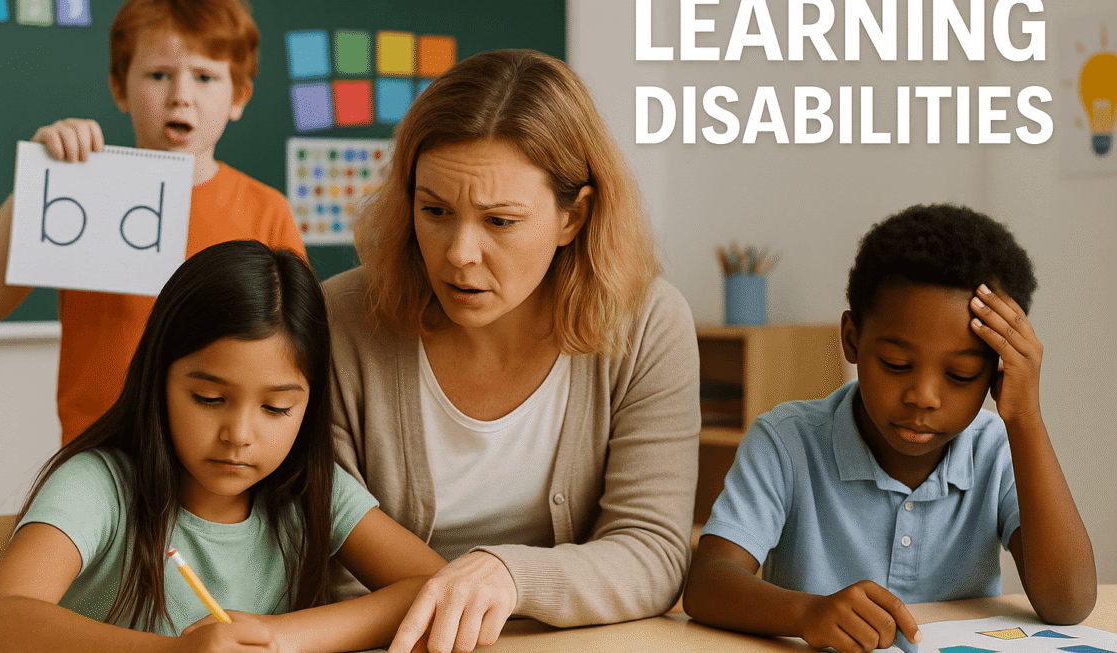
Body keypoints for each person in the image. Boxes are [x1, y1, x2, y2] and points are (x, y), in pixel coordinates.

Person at [322, 49, 701, 653]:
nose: (459, 253)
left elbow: (653, 552)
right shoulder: (340, 319)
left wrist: (509, 576)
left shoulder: (647, 323)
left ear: (573, 217)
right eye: (435, 211)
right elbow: (330, 557)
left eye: (499, 222)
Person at [0, 240, 446, 653]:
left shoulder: (312, 488)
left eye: (276, 409)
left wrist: (277, 637)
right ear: (159, 379)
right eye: (209, 398)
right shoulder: (99, 484)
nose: (239, 434)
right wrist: (173, 651)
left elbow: (437, 587)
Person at [684, 204, 1097, 653]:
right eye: (897, 365)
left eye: (960, 375)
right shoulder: (786, 441)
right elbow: (707, 584)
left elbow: (1069, 603)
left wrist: (1025, 419)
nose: (924, 396)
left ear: (997, 371)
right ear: (852, 339)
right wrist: (806, 613)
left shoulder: (996, 448)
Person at [0, 0, 305, 445]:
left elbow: (294, 354)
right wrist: (39, 181)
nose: (181, 94)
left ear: (238, 96)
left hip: (216, 460)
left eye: (204, 76)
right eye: (159, 75)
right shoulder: (80, 185)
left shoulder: (266, 210)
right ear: (120, 88)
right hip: (98, 451)